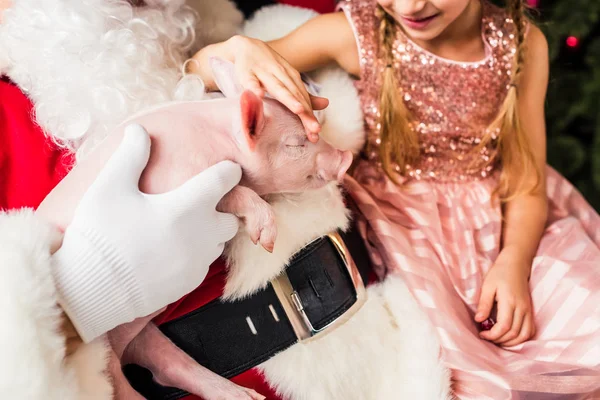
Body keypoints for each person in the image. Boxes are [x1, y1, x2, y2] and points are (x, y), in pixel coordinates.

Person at [189, 0, 600, 397]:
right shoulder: (354, 32)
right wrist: (239, 50)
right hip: (410, 227)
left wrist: (514, 263)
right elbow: (198, 72)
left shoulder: (520, 42)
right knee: (465, 371)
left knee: (585, 316)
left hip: (509, 216)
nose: (409, 7)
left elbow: (526, 177)